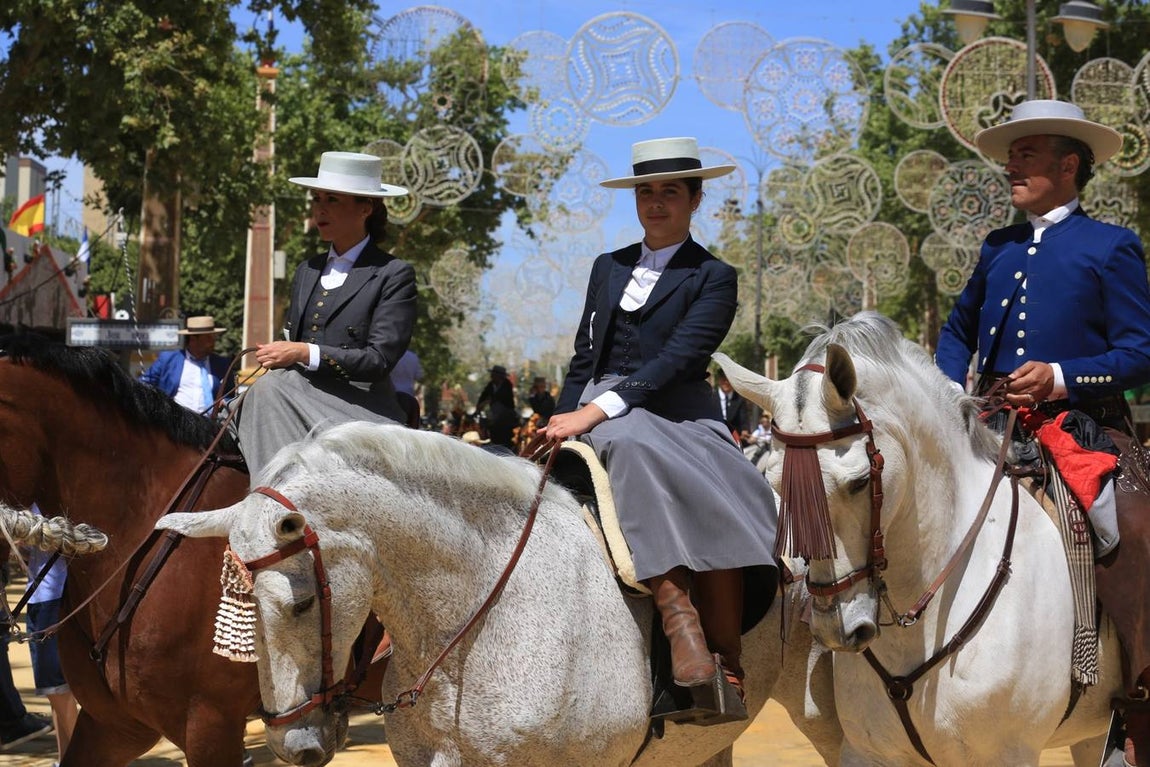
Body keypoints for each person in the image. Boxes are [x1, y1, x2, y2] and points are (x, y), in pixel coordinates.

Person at [935, 99, 1150, 766]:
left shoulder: (1111, 246)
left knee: (1136, 525)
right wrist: (947, 395)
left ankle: (1139, 691)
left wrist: (1060, 376)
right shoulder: (996, 247)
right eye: (1012, 154)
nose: (1011, 164)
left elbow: (1140, 351)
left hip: (1081, 427)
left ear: (1069, 165)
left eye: (1028, 153)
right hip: (988, 423)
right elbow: (955, 333)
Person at [542, 136, 778, 721]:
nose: (655, 202)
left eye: (670, 192)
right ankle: (673, 620)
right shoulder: (608, 266)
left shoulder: (714, 276)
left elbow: (678, 358)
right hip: (600, 404)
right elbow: (585, 357)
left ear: (695, 200)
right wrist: (563, 418)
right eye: (646, 192)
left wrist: (597, 412)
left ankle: (714, 649)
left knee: (701, 471)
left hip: (682, 410)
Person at [235, 151, 416, 480]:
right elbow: (292, 341)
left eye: (332, 199)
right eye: (316, 198)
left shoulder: (393, 273)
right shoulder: (307, 269)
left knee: (268, 391)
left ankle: (274, 498)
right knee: (253, 396)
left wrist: (303, 352)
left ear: (366, 208)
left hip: (362, 409)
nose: (319, 208)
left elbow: (379, 360)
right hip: (295, 396)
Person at [22, 504, 78, 764]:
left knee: (59, 690)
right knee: (54, 692)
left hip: (52, 598)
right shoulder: (38, 498)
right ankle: (64, 758)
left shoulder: (55, 501)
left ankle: (77, 758)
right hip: (40, 597)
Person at [139, 316, 235, 413]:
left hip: (211, 424)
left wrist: (224, 402)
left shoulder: (222, 364)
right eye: (208, 337)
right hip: (176, 423)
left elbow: (231, 395)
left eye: (214, 336)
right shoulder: (168, 360)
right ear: (193, 339)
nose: (213, 341)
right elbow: (144, 385)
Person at [474, 365, 518, 450]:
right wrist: (479, 405)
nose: (491, 376)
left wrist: (490, 399)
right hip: (493, 414)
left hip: (505, 414)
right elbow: (483, 396)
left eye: (494, 374)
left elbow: (505, 399)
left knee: (504, 432)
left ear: (500, 376)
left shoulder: (507, 384)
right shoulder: (490, 385)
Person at [713, 369, 751, 445]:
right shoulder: (711, 397)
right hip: (714, 438)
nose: (726, 382)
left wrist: (745, 430)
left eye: (728, 380)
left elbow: (744, 419)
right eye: (724, 379)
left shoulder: (740, 400)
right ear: (719, 380)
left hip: (734, 440)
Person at [390, 349, 423, 428]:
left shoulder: (389, 353)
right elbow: (419, 376)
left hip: (391, 394)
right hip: (408, 395)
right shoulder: (413, 357)